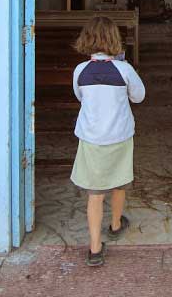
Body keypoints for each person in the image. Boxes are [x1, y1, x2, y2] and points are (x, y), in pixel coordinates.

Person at [70, 16, 145, 267]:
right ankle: (114, 224)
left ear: (87, 39)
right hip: (119, 136)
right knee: (118, 182)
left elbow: (79, 96)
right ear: (115, 39)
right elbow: (139, 97)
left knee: (95, 192)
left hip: (92, 138)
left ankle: (94, 248)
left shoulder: (80, 71)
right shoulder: (124, 70)